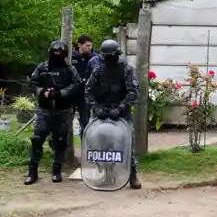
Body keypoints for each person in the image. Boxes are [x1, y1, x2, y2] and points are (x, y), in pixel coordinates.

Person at [84, 38, 142, 189]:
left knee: (128, 142)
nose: (108, 60)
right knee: (100, 145)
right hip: (101, 111)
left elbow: (133, 93)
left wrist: (121, 108)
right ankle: (106, 175)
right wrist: (96, 108)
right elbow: (88, 91)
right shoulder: (98, 70)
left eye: (111, 56)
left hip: (121, 112)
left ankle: (133, 175)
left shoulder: (126, 70)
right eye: (106, 57)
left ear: (117, 55)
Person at [25, 41, 82, 185]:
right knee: (37, 139)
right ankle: (33, 171)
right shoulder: (42, 67)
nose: (57, 56)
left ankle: (57, 170)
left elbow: (76, 83)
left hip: (63, 110)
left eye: (60, 54)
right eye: (55, 54)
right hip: (45, 109)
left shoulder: (70, 69)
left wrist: (61, 93)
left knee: (61, 141)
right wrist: (42, 92)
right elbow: (32, 83)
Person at [71, 34, 95, 137]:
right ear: (80, 45)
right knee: (66, 120)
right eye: (87, 45)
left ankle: (86, 146)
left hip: (86, 94)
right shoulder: (70, 57)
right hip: (71, 93)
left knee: (86, 121)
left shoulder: (94, 58)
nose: (90, 48)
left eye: (91, 46)